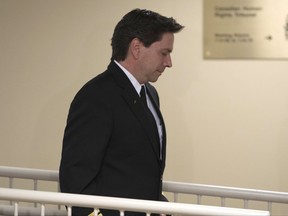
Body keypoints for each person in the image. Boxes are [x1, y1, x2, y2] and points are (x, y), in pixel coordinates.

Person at [59, 8, 184, 216]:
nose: (168, 63)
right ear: (136, 48)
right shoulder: (96, 96)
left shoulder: (151, 94)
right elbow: (76, 180)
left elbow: (140, 173)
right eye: (164, 53)